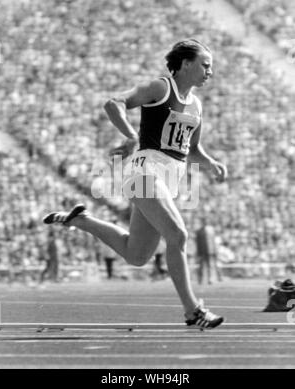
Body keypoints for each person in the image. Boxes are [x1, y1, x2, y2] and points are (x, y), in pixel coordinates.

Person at [43, 39, 227, 329]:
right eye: (205, 65)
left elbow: (192, 149)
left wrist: (212, 163)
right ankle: (193, 311)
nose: (210, 72)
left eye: (211, 67)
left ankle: (83, 221)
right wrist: (130, 136)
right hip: (145, 171)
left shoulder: (197, 105)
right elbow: (113, 103)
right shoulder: (160, 87)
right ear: (186, 64)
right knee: (177, 235)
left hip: (170, 177)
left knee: (136, 255)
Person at [196, 217, 222, 285]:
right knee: (201, 266)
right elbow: (198, 243)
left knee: (211, 266)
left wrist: (215, 250)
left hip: (210, 251)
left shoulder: (211, 230)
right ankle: (200, 279)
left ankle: (211, 279)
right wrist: (198, 252)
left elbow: (214, 241)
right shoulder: (199, 231)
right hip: (203, 251)